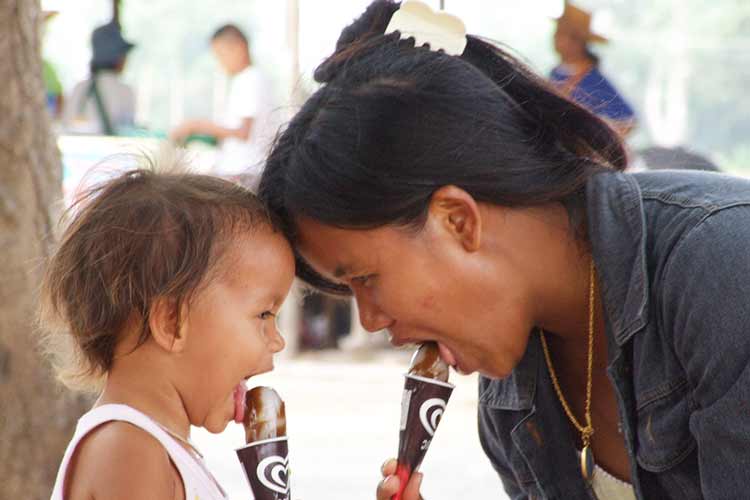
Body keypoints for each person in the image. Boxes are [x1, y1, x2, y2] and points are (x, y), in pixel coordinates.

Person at [257, 1, 750, 499]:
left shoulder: (726, 269)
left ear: (457, 219)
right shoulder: (512, 396)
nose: (370, 321)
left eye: (363, 278)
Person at [42, 160, 294, 499]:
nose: (277, 340)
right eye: (264, 313)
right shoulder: (128, 449)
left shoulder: (157, 448)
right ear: (172, 321)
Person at [171, 24, 278, 186]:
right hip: (238, 168)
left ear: (239, 47)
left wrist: (197, 125)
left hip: (244, 170)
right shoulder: (247, 79)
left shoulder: (250, 78)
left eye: (221, 54)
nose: (220, 62)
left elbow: (243, 132)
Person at [550, 2, 636, 136]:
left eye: (561, 33)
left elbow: (628, 120)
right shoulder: (556, 74)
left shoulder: (594, 80)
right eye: (556, 32)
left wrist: (594, 140)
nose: (555, 38)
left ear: (578, 42)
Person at [62, 21, 136, 135]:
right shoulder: (125, 92)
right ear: (119, 59)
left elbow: (67, 125)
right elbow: (128, 130)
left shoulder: (79, 88)